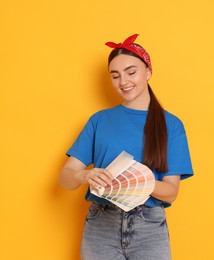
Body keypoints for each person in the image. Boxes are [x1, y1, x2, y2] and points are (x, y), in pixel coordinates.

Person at [59, 34, 193, 260]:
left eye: (131, 72)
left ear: (148, 72)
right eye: (115, 75)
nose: (123, 81)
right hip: (101, 225)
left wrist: (139, 181)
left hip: (149, 228)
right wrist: (84, 175)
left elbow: (171, 192)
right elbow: (65, 177)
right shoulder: (99, 120)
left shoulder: (171, 124)